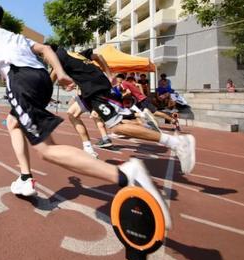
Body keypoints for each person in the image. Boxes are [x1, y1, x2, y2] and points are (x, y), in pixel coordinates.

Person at [0, 0, 173, 229]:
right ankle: (25, 178)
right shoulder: (14, 36)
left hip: (20, 80)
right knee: (13, 122)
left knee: (47, 150)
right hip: (42, 79)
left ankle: (124, 174)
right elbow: (45, 49)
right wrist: (61, 73)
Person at [50, 45, 195, 173]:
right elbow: (97, 56)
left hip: (95, 91)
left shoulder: (57, 56)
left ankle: (172, 141)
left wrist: (39, 96)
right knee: (72, 113)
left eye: (43, 56)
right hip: (88, 91)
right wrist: (109, 74)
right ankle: (89, 149)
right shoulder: (74, 54)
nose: (45, 59)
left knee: (116, 127)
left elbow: (51, 79)